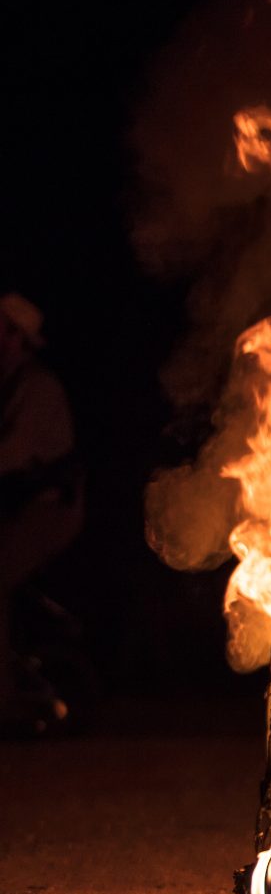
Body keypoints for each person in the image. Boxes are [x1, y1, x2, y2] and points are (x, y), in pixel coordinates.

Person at [0, 292, 84, 736]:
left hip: (48, 511)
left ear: (13, 336)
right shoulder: (9, 382)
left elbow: (10, 454)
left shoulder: (34, 386)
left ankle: (5, 702)